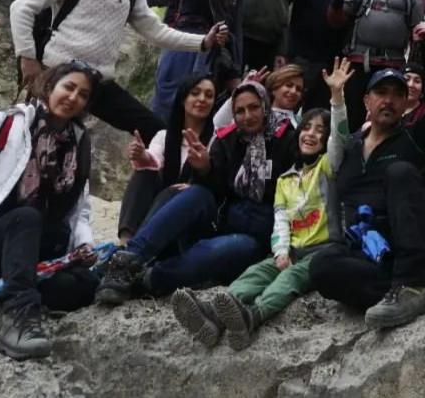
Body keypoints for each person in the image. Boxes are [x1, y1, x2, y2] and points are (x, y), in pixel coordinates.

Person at [308, 24, 425, 328]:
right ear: (366, 101)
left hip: (412, 248)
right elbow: (334, 139)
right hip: (370, 256)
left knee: (400, 172)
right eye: (381, 92)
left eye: (397, 94)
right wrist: (336, 97)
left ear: (406, 104)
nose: (388, 100)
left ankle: (415, 283)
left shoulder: (417, 138)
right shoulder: (350, 148)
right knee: (322, 266)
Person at [170, 59, 353, 347]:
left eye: (320, 131)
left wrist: (337, 97)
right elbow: (280, 218)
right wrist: (280, 250)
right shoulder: (285, 179)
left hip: (324, 250)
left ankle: (253, 316)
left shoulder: (328, 168)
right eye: (307, 128)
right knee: (257, 272)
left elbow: (340, 138)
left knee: (288, 279)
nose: (311, 134)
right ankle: (213, 315)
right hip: (292, 248)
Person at [0, 15, 98, 360]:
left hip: (34, 246)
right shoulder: (12, 124)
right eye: (68, 87)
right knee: (26, 217)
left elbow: (80, 209)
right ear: (51, 87)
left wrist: (84, 244)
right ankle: (18, 319)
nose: (73, 97)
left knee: (84, 286)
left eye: (82, 94)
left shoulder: (79, 145)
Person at [10, 0, 225, 141]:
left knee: (156, 131)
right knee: (28, 137)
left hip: (99, 81)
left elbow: (156, 32)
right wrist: (27, 57)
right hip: (56, 74)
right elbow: (21, 7)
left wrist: (203, 43)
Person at [95, 79, 297, 304]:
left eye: (254, 107)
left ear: (265, 105)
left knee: (229, 248)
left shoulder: (287, 139)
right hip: (220, 221)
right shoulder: (227, 139)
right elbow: (217, 189)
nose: (247, 116)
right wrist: (204, 168)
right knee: (196, 193)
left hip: (257, 235)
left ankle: (149, 279)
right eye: (239, 111)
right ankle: (127, 260)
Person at [328, 0, 423, 131]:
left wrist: (412, 68)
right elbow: (336, 22)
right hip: (357, 63)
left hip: (392, 64)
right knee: (351, 114)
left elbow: (417, 35)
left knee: (387, 114)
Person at [118, 74, 217, 240]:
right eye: (195, 93)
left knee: (173, 191)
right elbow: (153, 159)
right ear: (182, 99)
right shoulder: (164, 136)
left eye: (209, 95)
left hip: (196, 213)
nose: (202, 99)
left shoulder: (217, 139)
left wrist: (204, 168)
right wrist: (142, 155)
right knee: (144, 173)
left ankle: (136, 248)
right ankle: (125, 241)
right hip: (160, 206)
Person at [287, 0, 361, 111]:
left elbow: (342, 23)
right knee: (286, 106)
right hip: (298, 57)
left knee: (315, 113)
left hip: (327, 64)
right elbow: (281, 0)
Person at [211, 64, 305, 131]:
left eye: (299, 89)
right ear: (274, 88)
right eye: (289, 85)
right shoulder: (254, 115)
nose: (294, 91)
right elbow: (219, 124)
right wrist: (241, 91)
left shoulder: (302, 125)